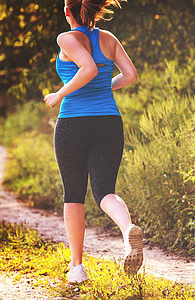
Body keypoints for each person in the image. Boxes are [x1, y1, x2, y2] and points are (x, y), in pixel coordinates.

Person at [43, 0, 143, 283]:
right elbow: (131, 75)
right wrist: (105, 87)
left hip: (74, 124)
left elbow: (87, 69)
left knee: (74, 195)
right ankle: (128, 232)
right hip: (109, 122)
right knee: (105, 193)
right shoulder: (109, 38)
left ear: (67, 11)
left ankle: (77, 267)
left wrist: (59, 94)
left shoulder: (66, 38)